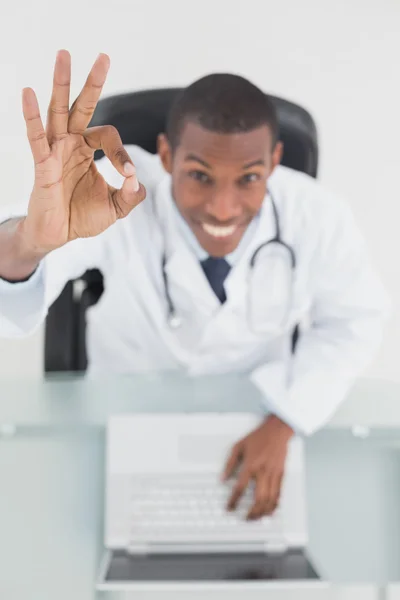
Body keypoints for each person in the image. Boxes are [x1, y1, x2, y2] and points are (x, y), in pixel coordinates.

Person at [0, 50, 389, 519]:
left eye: (249, 178)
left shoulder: (318, 217)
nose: (223, 209)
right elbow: (17, 291)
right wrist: (28, 241)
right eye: (199, 175)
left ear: (276, 161)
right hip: (121, 427)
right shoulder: (116, 191)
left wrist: (287, 419)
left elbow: (356, 322)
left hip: (254, 429)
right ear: (166, 156)